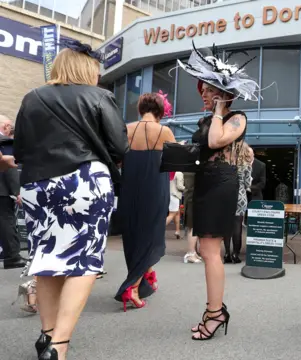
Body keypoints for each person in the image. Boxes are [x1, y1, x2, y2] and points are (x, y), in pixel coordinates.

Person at [14, 41, 128, 360]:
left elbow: (20, 149)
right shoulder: (99, 96)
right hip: (84, 180)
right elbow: (120, 147)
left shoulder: (32, 97)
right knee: (85, 261)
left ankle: (47, 335)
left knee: (47, 260)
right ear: (86, 69)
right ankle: (59, 345)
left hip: (37, 184)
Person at [178, 42, 260, 341]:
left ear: (223, 94)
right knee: (206, 249)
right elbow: (200, 149)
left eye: (208, 90)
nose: (202, 93)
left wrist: (218, 111)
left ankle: (215, 314)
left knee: (211, 252)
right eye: (202, 89)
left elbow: (215, 141)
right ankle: (214, 309)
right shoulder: (205, 119)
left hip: (222, 182)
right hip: (204, 182)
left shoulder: (237, 118)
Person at [114, 92, 175, 311]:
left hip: (129, 188)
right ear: (160, 110)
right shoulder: (165, 131)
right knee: (152, 234)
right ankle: (132, 287)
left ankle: (145, 277)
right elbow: (173, 163)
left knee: (133, 234)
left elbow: (116, 159)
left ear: (141, 108)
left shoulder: (126, 130)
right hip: (155, 189)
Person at [0, 115, 26, 270]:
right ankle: (12, 256)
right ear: (5, 127)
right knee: (7, 221)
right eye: (9, 126)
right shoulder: (5, 143)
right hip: (1, 190)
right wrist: (17, 192)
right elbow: (10, 169)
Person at [223, 142, 252, 264]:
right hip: (240, 196)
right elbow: (247, 184)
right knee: (237, 226)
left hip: (226, 195)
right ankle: (235, 253)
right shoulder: (246, 165)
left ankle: (226, 253)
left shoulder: (226, 164)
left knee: (226, 226)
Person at [182, 171, 201, 264]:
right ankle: (190, 253)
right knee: (192, 227)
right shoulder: (191, 173)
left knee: (193, 227)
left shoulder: (189, 172)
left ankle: (193, 252)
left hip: (191, 200)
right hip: (193, 201)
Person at [166, 171, 185, 239]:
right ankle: (159, 228)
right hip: (174, 195)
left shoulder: (168, 172)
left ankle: (177, 231)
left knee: (177, 212)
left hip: (168, 194)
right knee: (172, 214)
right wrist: (187, 189)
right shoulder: (179, 173)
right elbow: (179, 186)